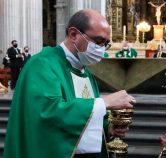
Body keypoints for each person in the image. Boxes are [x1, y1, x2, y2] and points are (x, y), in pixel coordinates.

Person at [4, 9, 135, 158]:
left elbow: (85, 121)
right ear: (73, 34)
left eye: (106, 44)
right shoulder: (42, 64)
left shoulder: (87, 74)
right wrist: (104, 102)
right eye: (98, 42)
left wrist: (108, 128)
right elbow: (47, 113)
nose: (102, 50)